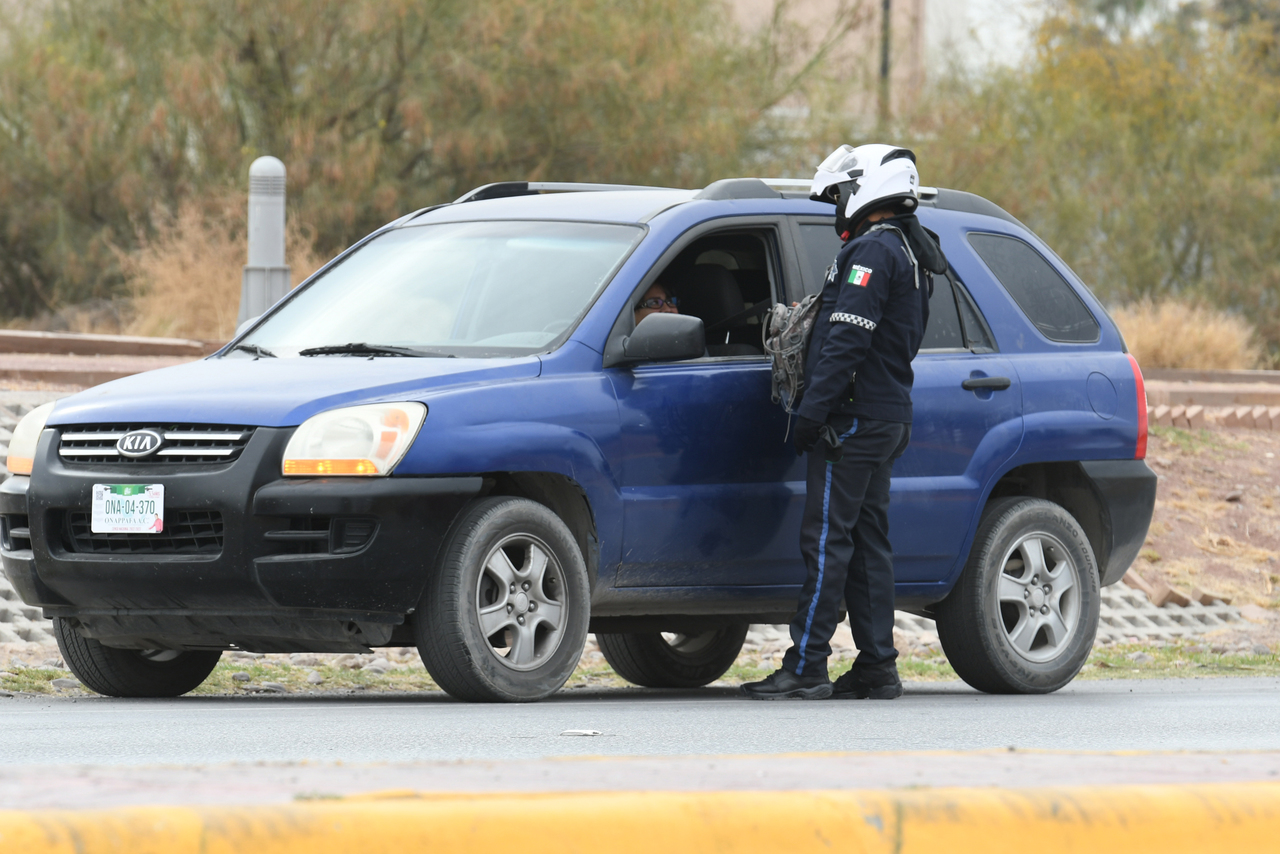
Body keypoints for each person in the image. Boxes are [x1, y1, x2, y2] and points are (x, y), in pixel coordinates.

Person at [742, 143, 947, 701]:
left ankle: (806, 665)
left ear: (866, 188)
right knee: (867, 542)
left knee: (828, 542)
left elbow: (845, 342)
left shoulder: (874, 253)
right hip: (885, 416)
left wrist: (812, 414)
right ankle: (879, 666)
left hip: (852, 423)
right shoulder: (907, 249)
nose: (837, 204)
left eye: (839, 193)